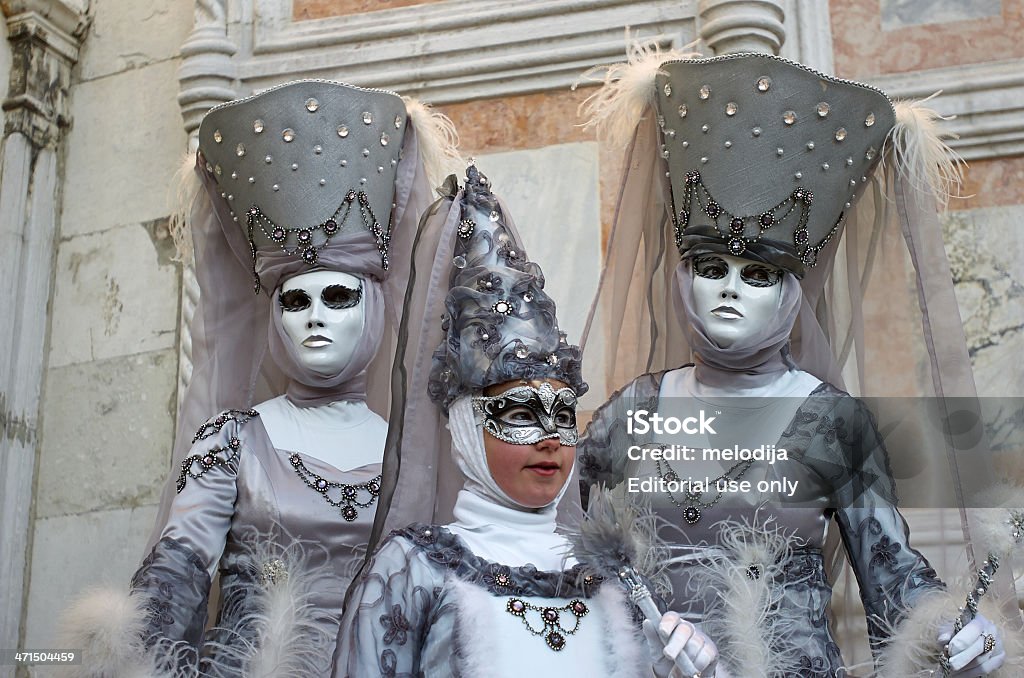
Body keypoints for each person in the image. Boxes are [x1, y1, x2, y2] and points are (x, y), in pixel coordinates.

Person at [576, 49, 1011, 677]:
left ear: (788, 292)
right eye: (709, 267)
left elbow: (892, 580)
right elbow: (565, 547)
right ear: (683, 279)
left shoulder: (832, 423)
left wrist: (958, 631)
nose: (728, 289)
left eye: (756, 274)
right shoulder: (629, 412)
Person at [60, 79, 458, 677]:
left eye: (337, 296)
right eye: (294, 301)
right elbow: (177, 574)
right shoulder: (230, 442)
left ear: (374, 307)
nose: (316, 316)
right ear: (273, 318)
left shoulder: (415, 447)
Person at [331, 164, 720, 678]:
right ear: (467, 431)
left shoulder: (613, 579)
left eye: (562, 417)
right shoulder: (413, 570)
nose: (548, 440)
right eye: (519, 415)